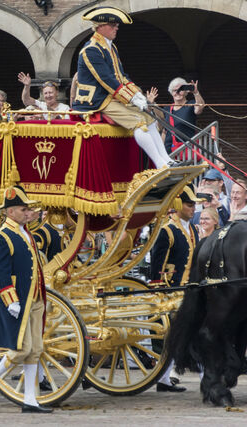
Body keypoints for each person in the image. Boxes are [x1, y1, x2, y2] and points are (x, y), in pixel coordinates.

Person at [72, 7, 179, 169]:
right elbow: (107, 80)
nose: (117, 27)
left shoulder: (111, 48)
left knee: (149, 119)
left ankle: (167, 159)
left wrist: (138, 95)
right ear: (100, 27)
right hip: (97, 100)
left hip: (111, 97)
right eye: (113, 24)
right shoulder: (91, 50)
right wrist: (131, 98)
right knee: (138, 121)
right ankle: (160, 164)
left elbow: (121, 76)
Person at [0, 185, 52, 413]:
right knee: (22, 349)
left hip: (35, 296)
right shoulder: (1, 237)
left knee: (36, 349)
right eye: (22, 209)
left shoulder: (25, 231)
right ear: (10, 212)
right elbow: (1, 272)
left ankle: (30, 399)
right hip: (18, 299)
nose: (26, 212)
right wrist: (11, 299)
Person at [149, 183, 202, 392]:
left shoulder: (193, 230)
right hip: (171, 293)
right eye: (189, 205)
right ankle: (203, 377)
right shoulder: (166, 231)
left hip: (189, 290)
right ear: (178, 204)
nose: (193, 209)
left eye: (194, 205)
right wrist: (161, 293)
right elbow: (157, 267)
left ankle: (165, 380)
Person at [146, 77, 205, 154]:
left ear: (185, 92)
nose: (177, 92)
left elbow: (199, 109)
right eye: (174, 90)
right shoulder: (167, 109)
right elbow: (163, 128)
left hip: (187, 152)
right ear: (171, 92)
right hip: (169, 152)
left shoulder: (190, 104)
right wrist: (151, 104)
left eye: (181, 90)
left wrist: (196, 92)